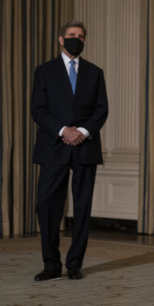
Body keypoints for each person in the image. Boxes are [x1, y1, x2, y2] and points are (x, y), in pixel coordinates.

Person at [31, 20, 109, 281]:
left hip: (85, 146)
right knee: (47, 205)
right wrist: (64, 130)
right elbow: (38, 109)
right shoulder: (44, 71)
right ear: (61, 39)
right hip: (54, 145)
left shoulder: (95, 72)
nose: (77, 39)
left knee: (83, 206)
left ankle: (75, 263)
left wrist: (83, 133)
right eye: (72, 35)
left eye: (82, 36)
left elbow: (101, 110)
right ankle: (51, 264)